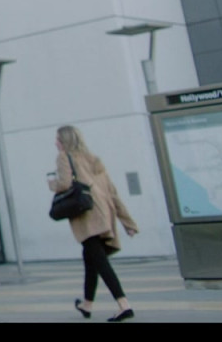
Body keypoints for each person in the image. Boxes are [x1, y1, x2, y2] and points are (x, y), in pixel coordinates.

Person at [48, 124, 138, 322]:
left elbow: (65, 183)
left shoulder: (64, 157)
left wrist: (52, 184)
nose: (55, 143)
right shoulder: (94, 159)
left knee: (100, 261)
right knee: (90, 258)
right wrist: (128, 223)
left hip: (87, 215)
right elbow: (112, 193)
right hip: (104, 213)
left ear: (64, 142)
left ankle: (124, 304)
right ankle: (87, 304)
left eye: (58, 139)